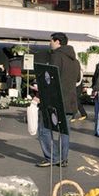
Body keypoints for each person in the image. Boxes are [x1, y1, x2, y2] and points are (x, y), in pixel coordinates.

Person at [36, 32, 81, 167]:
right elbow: (78, 79)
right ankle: (63, 158)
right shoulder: (75, 60)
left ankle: (52, 157)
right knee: (64, 131)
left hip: (54, 99)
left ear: (57, 42)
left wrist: (39, 90)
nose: (50, 43)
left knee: (44, 129)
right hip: (70, 100)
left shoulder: (56, 56)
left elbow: (50, 77)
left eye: (51, 41)